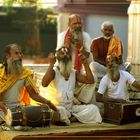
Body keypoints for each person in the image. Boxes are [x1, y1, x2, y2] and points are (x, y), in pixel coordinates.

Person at [0, 43, 57, 128]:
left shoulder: (25, 73)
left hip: (18, 108)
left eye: (20, 53)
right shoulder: (0, 72)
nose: (20, 56)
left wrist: (48, 102)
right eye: (16, 53)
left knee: (38, 114)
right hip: (2, 108)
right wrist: (4, 109)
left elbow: (33, 95)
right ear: (8, 56)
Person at [42, 46, 102, 125]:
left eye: (67, 53)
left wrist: (85, 62)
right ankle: (71, 118)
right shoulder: (54, 72)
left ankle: (72, 118)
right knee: (61, 111)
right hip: (58, 107)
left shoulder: (74, 73)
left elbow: (90, 80)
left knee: (94, 109)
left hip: (71, 108)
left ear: (70, 58)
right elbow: (44, 83)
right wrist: (51, 64)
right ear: (58, 58)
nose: (65, 54)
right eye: (62, 53)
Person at [56, 14, 96, 105]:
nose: (78, 25)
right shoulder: (62, 36)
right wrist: (67, 45)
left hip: (81, 68)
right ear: (69, 24)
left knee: (93, 78)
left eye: (79, 23)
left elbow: (88, 55)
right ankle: (71, 98)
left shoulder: (86, 36)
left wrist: (79, 47)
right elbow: (59, 55)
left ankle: (82, 101)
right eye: (75, 23)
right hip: (66, 67)